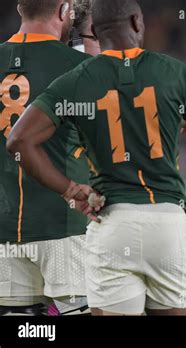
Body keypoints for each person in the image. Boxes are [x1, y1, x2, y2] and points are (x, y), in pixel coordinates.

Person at [7, 0, 186, 316]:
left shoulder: (78, 80)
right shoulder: (173, 71)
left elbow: (19, 140)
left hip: (108, 221)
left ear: (94, 31)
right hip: (163, 220)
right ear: (136, 21)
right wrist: (183, 120)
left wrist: (71, 190)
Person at [0, 0, 93, 316]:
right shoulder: (80, 67)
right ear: (66, 9)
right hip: (65, 226)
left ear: (19, 8)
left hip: (5, 229)